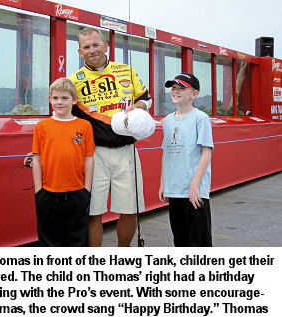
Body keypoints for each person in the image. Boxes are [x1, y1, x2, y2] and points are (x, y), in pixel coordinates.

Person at [70, 27, 152, 247]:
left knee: (130, 209)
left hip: (126, 151)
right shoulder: (74, 81)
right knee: (92, 212)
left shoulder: (126, 70)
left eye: (96, 45)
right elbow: (62, 115)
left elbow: (146, 98)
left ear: (105, 46)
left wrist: (136, 107)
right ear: (80, 52)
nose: (92, 50)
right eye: (86, 47)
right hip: (93, 153)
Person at [31, 77, 95, 246]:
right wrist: (39, 191)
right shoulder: (42, 126)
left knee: (77, 240)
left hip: (77, 192)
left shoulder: (85, 126)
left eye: (65, 98)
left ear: (74, 100)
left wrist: (86, 189)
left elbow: (89, 159)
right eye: (56, 98)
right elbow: (36, 159)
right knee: (49, 241)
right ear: (50, 99)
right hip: (48, 192)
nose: (60, 102)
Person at [159, 72, 213, 247]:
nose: (175, 91)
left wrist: (195, 185)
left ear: (194, 94)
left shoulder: (200, 118)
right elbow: (166, 154)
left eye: (181, 88)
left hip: (195, 192)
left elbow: (206, 152)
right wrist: (163, 183)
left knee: (199, 243)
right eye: (173, 88)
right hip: (174, 190)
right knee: (180, 241)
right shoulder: (167, 121)